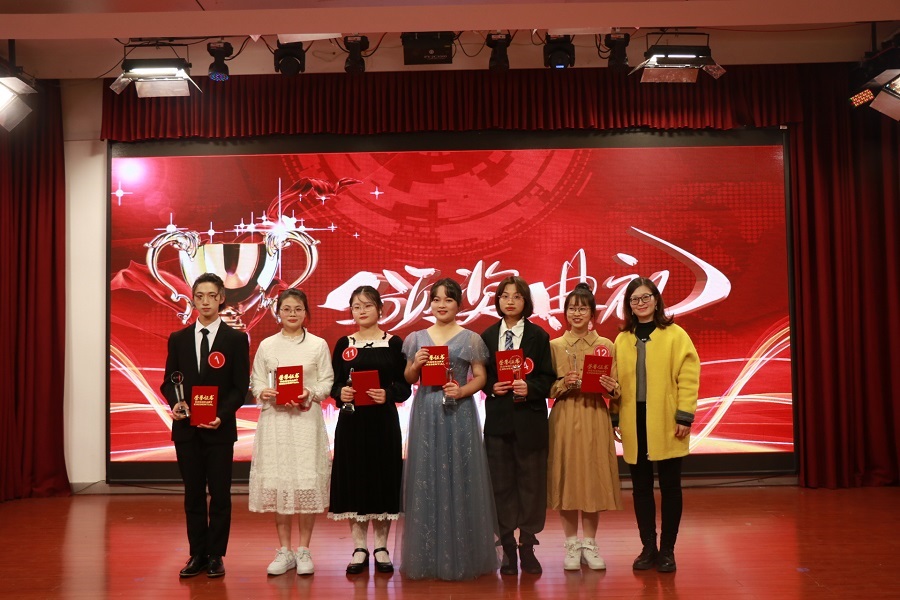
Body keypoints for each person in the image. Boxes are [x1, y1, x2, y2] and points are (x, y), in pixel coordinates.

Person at [397, 277, 499, 580]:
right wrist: (415, 365)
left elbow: (480, 376)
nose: (442, 305)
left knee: (461, 475)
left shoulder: (471, 339)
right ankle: (427, 555)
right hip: (427, 411)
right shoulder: (416, 338)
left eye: (449, 299)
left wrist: (462, 391)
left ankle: (465, 554)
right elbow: (408, 378)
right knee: (427, 477)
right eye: (437, 299)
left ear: (459, 304)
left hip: (459, 410)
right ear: (430, 303)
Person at [160, 272, 251, 579]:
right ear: (193, 299)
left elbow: (240, 387)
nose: (206, 301)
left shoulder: (235, 339)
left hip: (219, 429)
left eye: (212, 295)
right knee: (193, 494)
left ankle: (216, 555)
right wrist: (176, 403)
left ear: (221, 298)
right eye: (200, 296)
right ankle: (197, 553)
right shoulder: (178, 339)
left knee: (221, 494)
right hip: (187, 430)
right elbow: (169, 381)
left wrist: (221, 415)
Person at [612, 277, 699, 573]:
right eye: (634, 299)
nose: (641, 303)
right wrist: (614, 415)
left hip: (667, 419)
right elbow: (615, 381)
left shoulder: (675, 335)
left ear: (656, 299)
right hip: (634, 419)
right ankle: (648, 547)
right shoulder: (622, 339)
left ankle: (668, 550)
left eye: (645, 297)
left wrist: (684, 415)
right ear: (629, 305)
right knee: (641, 488)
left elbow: (688, 376)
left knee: (671, 487)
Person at [248, 289, 334, 576]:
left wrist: (309, 392)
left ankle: (304, 549)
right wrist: (264, 391)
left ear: (306, 312)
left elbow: (327, 382)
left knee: (306, 483)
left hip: (305, 421)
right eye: (286, 309)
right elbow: (257, 381)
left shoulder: (318, 345)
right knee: (280, 482)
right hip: (276, 421)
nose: (292, 313)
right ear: (278, 313)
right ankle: (284, 550)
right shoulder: (267, 345)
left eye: (298, 308)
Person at [328, 285, 411, 575]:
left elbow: (404, 386)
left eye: (367, 305)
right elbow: (334, 383)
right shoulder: (344, 343)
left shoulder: (394, 343)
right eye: (356, 306)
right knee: (355, 479)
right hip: (352, 423)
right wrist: (341, 393)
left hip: (383, 423)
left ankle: (382, 547)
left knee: (383, 478)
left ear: (380, 309)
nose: (361, 311)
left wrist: (387, 394)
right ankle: (359, 547)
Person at [480, 276, 555, 575]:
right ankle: (508, 546)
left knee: (532, 485)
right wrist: (491, 387)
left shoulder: (539, 336)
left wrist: (531, 388)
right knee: (501, 485)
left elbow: (548, 379)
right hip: (498, 421)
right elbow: (481, 376)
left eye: (517, 296)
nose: (510, 301)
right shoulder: (487, 336)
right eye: (504, 296)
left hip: (530, 421)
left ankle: (528, 545)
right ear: (498, 301)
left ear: (526, 302)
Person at [547, 282, 623, 571]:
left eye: (583, 308)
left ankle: (589, 544)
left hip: (594, 415)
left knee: (592, 478)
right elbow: (545, 388)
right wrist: (561, 384)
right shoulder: (554, 346)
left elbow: (617, 389)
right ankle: (571, 545)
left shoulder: (606, 346)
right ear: (565, 312)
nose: (577, 313)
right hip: (565, 416)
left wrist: (612, 387)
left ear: (592, 313)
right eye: (572, 308)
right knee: (566, 477)